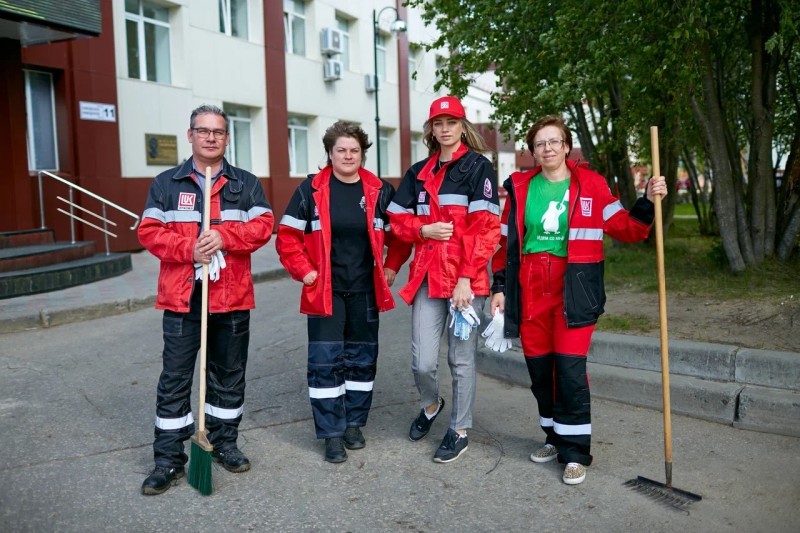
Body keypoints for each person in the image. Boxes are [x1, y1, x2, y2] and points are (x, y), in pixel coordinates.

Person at [489, 114, 668, 485]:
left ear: (567, 146)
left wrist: (648, 200)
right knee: (540, 372)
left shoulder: (591, 185)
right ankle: (554, 438)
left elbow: (628, 228)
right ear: (532, 151)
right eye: (540, 143)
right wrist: (500, 286)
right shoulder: (520, 188)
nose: (548, 148)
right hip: (530, 286)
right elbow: (505, 245)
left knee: (569, 371)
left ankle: (575, 451)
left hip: (575, 288)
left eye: (554, 141)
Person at [138, 105, 274, 494]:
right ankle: (167, 459)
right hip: (183, 297)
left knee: (228, 375)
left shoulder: (245, 183)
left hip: (231, 296)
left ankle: (224, 443)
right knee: (176, 380)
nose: (211, 137)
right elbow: (148, 231)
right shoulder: (167, 182)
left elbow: (264, 226)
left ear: (226, 138)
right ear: (191, 135)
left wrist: (225, 238)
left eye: (218, 132)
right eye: (204, 130)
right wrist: (188, 249)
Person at [276, 121, 410, 463]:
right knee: (325, 365)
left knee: (362, 363)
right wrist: (305, 272)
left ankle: (353, 424)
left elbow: (401, 235)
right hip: (325, 291)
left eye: (354, 150)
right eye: (341, 150)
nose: (348, 156)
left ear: (362, 154)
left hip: (366, 290)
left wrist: (392, 265)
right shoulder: (311, 190)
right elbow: (287, 236)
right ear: (330, 154)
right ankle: (332, 434)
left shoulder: (380, 190)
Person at [387, 96, 501, 463]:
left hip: (464, 283)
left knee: (461, 359)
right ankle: (432, 403)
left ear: (462, 126)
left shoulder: (478, 168)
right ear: (431, 129)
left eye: (452, 122)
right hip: (426, 276)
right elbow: (396, 220)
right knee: (422, 360)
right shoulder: (418, 172)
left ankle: (460, 429)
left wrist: (467, 278)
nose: (445, 129)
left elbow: (487, 229)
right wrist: (423, 230)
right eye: (439, 123)